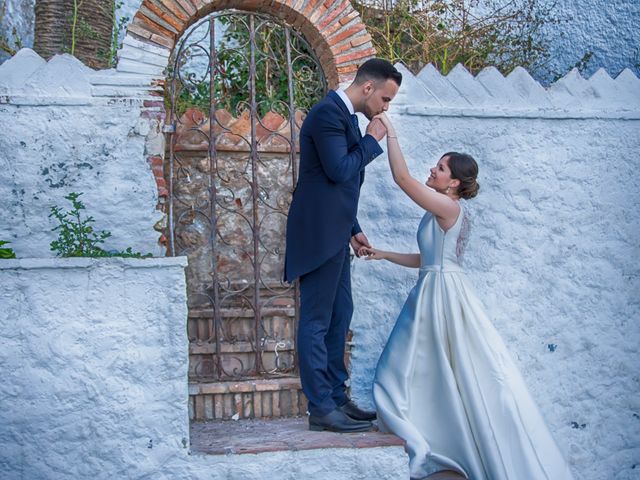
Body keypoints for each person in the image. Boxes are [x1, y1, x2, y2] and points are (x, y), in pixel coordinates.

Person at [360, 113, 574, 479]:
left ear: (454, 182)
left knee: (435, 368)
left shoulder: (449, 207)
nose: (434, 169)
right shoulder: (444, 209)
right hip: (435, 287)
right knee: (425, 369)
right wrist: (382, 253)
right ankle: (437, 435)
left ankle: (444, 441)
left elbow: (402, 179)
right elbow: (428, 260)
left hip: (443, 297)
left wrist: (391, 134)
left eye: (441, 168)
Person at [284, 59, 402, 433]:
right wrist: (372, 140)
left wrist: (354, 228)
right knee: (317, 321)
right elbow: (339, 169)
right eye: (385, 98)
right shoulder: (327, 114)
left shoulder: (346, 117)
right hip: (317, 233)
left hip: (336, 231)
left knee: (340, 315)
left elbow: (335, 185)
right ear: (367, 88)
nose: (385, 108)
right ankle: (320, 407)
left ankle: (336, 396)